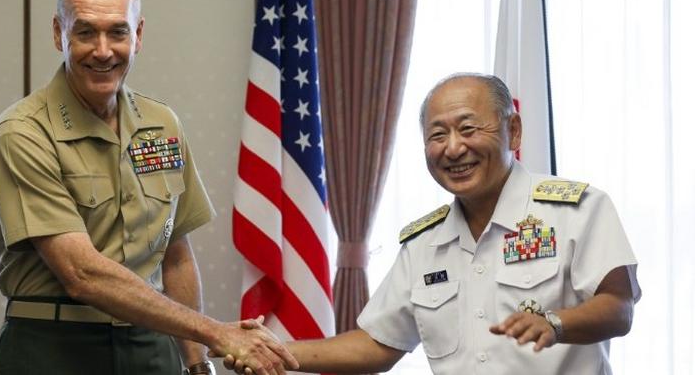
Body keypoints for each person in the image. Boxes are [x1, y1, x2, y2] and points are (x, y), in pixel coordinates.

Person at [0, 0, 296, 375]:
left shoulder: (161, 123)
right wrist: (216, 333)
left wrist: (198, 362)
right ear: (59, 33)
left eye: (118, 31)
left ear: (139, 34)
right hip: (53, 348)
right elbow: (81, 274)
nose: (102, 50)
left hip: (152, 348)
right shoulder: (22, 134)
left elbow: (176, 255)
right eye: (84, 32)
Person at [225, 72, 641, 374]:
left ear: (513, 132)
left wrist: (555, 323)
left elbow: (618, 308)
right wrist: (276, 349)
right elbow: (376, 345)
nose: (453, 148)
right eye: (437, 135)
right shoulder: (424, 243)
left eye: (468, 128)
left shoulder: (577, 209)